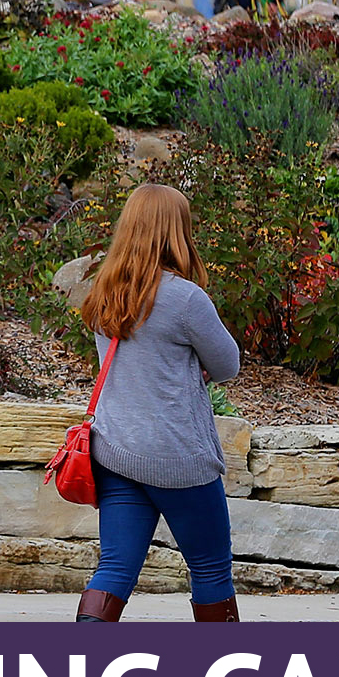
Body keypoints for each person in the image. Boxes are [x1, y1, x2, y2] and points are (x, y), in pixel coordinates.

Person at [73, 184, 241, 623]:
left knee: (114, 568)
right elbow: (227, 364)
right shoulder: (186, 298)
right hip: (176, 457)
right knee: (209, 566)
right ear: (176, 233)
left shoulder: (103, 293)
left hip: (116, 451)